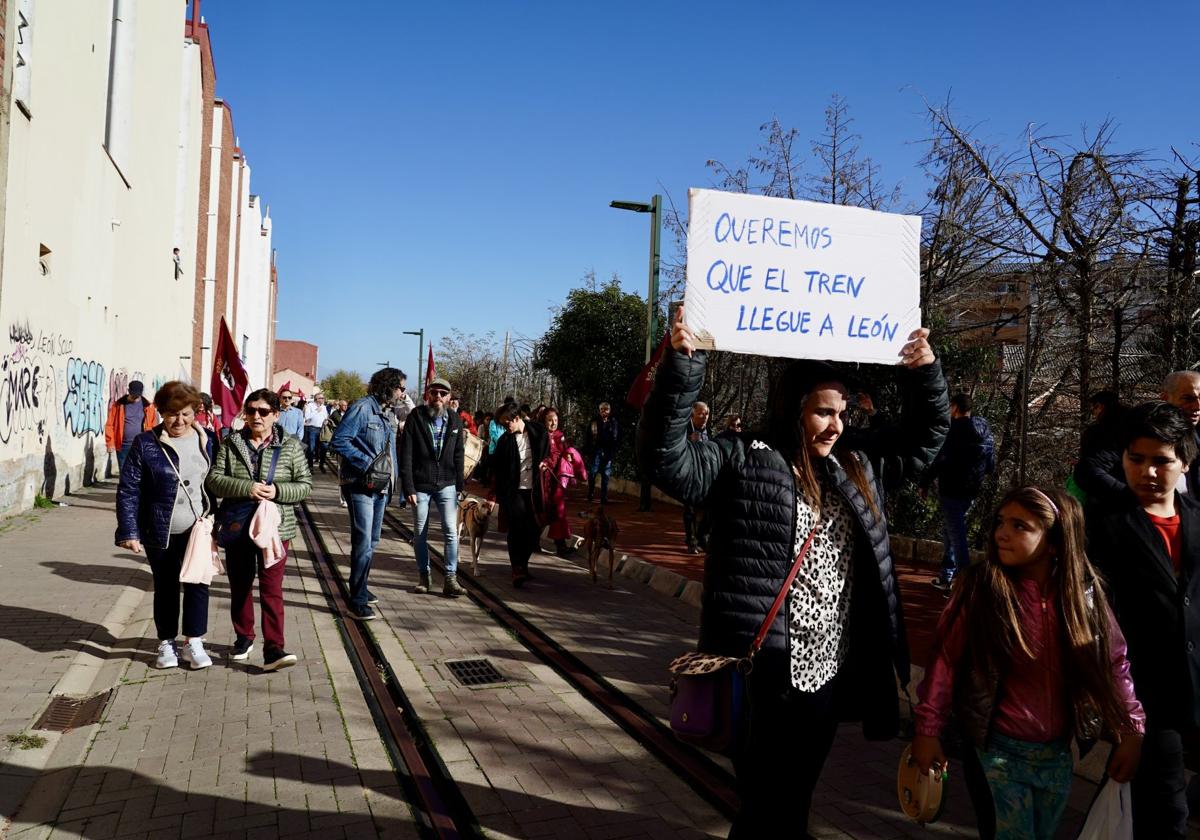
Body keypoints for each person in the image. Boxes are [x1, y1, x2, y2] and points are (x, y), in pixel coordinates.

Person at [639, 309, 948, 836]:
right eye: (823, 412)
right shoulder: (746, 455)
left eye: (842, 413)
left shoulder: (857, 464)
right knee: (771, 803)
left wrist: (924, 372)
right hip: (765, 670)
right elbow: (666, 461)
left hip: (827, 672)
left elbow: (926, 439)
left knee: (789, 800)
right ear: (793, 410)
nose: (836, 425)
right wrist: (682, 367)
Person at [913, 487, 1144, 839]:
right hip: (996, 755)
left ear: (1054, 542)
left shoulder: (1084, 596)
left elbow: (1113, 661)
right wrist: (928, 731)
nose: (1001, 533)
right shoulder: (981, 590)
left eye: (1021, 526)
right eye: (1001, 522)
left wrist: (1131, 728)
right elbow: (945, 661)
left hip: (1055, 758)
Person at [1087, 401, 1200, 837]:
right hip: (1146, 699)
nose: (1148, 472)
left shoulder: (1197, 521)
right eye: (1136, 459)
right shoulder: (1104, 527)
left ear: (1184, 462)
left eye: (1161, 461)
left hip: (1196, 689)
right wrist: (1125, 722)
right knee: (1164, 813)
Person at [206, 389, 311, 670]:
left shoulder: (290, 446)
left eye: (263, 412)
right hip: (238, 525)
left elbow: (305, 485)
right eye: (251, 410)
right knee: (240, 586)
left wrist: (277, 490)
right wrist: (247, 488)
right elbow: (214, 480)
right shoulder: (230, 443)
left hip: (275, 530)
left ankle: (274, 647)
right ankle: (244, 637)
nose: (256, 417)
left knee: (271, 589)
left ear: (276, 415)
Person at [114, 381, 214, 670]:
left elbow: (213, 484)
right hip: (160, 529)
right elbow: (128, 490)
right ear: (160, 413)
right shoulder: (146, 443)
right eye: (171, 414)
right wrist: (129, 531)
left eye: (185, 413)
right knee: (166, 586)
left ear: (196, 412)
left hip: (198, 528)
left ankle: (194, 641)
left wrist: (219, 523)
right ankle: (166, 642)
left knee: (198, 583)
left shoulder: (207, 439)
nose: (179, 421)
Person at [329, 368, 405, 620]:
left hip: (381, 486)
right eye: (400, 388)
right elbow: (339, 440)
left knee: (371, 542)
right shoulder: (363, 408)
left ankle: (360, 586)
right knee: (363, 543)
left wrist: (394, 483)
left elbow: (390, 452)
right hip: (361, 484)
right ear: (388, 386)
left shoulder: (387, 413)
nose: (403, 393)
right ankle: (357, 600)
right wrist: (367, 463)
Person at [922, 393, 995, 591]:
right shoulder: (984, 429)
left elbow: (939, 459)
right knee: (951, 530)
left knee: (957, 534)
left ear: (955, 407)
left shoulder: (952, 431)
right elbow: (990, 459)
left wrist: (925, 482)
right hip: (972, 488)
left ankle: (964, 581)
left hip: (951, 488)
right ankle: (946, 576)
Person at [400, 377, 466, 597]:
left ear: (448, 397)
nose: (438, 397)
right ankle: (424, 576)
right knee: (420, 532)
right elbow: (406, 454)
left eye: (442, 394)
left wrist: (460, 485)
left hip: (447, 484)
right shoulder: (416, 417)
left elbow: (459, 455)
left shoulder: (455, 420)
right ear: (428, 395)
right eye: (434, 393)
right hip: (420, 485)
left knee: (450, 531)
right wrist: (408, 487)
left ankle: (450, 578)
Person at [492, 403, 548, 586]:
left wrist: (545, 463)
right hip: (514, 491)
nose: (505, 426)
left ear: (517, 418)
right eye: (502, 423)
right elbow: (497, 470)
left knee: (533, 530)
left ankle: (523, 563)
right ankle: (517, 568)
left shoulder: (538, 431)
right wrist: (498, 495)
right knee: (516, 528)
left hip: (536, 490)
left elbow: (549, 453)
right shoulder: (504, 441)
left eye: (507, 422)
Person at [540, 407, 586, 557]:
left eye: (555, 420)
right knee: (541, 510)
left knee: (558, 511)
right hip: (542, 479)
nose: (553, 423)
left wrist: (569, 459)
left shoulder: (560, 436)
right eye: (550, 420)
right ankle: (533, 542)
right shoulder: (540, 435)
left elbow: (566, 453)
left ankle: (561, 547)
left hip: (556, 479)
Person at [105, 380, 158, 469]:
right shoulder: (118, 405)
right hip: (123, 446)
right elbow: (110, 425)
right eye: (133, 395)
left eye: (137, 395)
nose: (135, 397)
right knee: (124, 472)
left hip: (141, 445)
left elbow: (153, 426)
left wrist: (152, 443)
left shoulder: (148, 406)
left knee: (140, 472)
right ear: (129, 391)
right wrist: (110, 443)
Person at [682, 401, 711, 555]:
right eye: (701, 413)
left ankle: (701, 535)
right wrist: (688, 441)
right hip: (690, 475)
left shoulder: (708, 431)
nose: (704, 417)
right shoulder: (684, 430)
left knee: (709, 509)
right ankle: (691, 540)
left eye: (706, 413)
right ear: (692, 414)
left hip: (706, 477)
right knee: (690, 509)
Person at [585, 402, 619, 504]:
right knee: (592, 473)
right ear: (599, 411)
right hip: (596, 451)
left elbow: (616, 437)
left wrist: (613, 451)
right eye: (602, 409)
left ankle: (603, 497)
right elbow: (588, 436)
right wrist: (589, 450)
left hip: (608, 451)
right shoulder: (594, 421)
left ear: (609, 411)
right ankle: (591, 493)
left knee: (606, 474)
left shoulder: (613, 422)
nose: (604, 411)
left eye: (606, 409)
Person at [302, 392, 330, 471]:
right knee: (311, 448)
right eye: (321, 398)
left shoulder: (324, 407)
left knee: (324, 447)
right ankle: (310, 466)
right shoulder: (310, 406)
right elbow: (307, 417)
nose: (323, 399)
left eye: (323, 398)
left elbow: (326, 417)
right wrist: (316, 411)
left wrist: (326, 420)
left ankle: (321, 464)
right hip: (312, 429)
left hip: (322, 430)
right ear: (316, 399)